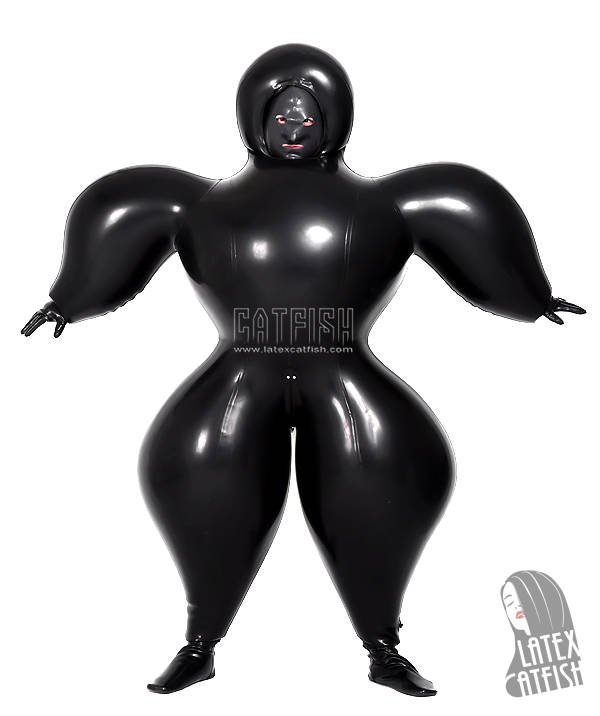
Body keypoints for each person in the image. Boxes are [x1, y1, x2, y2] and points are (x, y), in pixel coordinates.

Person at [22, 44, 585, 697]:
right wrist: (68, 302)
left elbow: (471, 213)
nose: (294, 124)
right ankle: (199, 646)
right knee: (201, 490)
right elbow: (115, 218)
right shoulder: (197, 205)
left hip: (346, 379)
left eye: (308, 112)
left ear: (337, 117)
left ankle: (384, 651)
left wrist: (534, 299)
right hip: (236, 382)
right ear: (252, 116)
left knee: (387, 493)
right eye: (281, 112)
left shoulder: (387, 204)